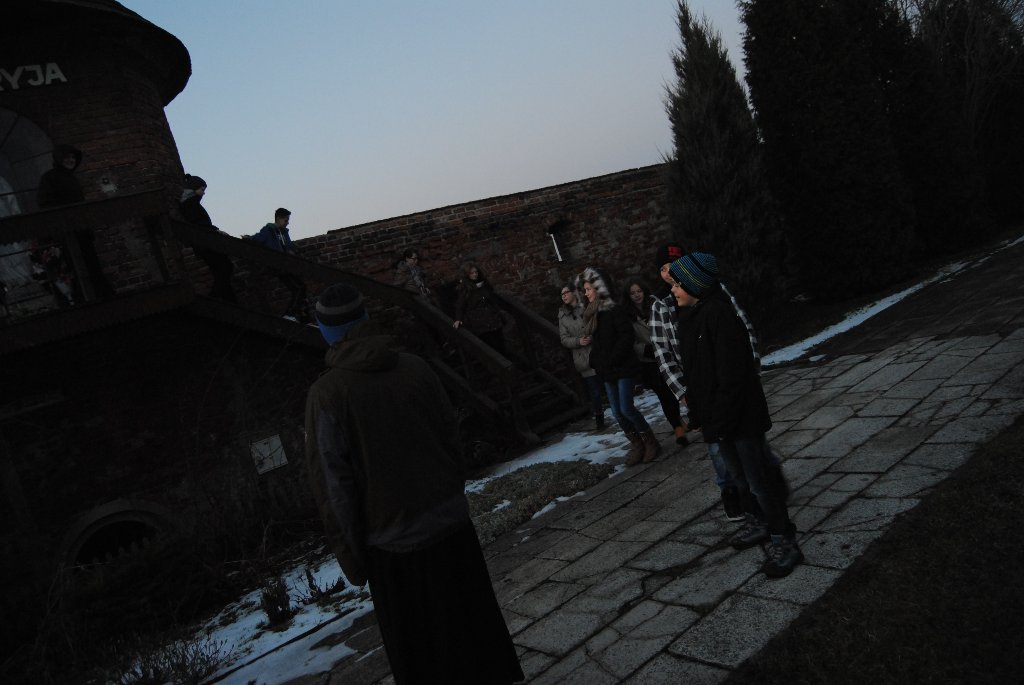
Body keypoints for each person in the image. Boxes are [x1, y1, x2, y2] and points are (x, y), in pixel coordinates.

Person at [304, 283, 524, 684]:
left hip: (394, 545)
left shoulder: (327, 394)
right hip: (450, 525)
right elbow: (451, 437)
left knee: (426, 658)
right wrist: (449, 492)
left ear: (326, 331)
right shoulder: (415, 368)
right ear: (365, 319)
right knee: (476, 638)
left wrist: (354, 558)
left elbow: (334, 487)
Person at [669, 252, 803, 578]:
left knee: (759, 483)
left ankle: (784, 539)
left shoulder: (720, 315)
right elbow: (696, 374)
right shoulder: (690, 318)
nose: (673, 289)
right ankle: (758, 522)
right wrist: (698, 413)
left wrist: (722, 419)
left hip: (739, 417)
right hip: (719, 420)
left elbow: (732, 376)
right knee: (740, 479)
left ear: (695, 284)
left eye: (678, 284)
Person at [650, 242, 742, 520]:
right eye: (664, 268)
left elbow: (741, 325)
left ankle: (763, 483)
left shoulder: (710, 293)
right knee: (717, 445)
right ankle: (731, 491)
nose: (669, 273)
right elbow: (662, 352)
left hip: (725, 377)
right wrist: (683, 392)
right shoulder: (662, 305)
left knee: (746, 437)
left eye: (674, 266)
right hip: (696, 385)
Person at [576, 266, 660, 465]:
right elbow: (596, 343)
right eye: (585, 290)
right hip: (607, 370)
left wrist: (613, 358)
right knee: (616, 412)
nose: (586, 294)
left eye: (588, 289)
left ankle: (650, 442)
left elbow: (626, 336)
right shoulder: (592, 314)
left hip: (623, 366)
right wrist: (595, 361)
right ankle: (637, 444)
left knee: (626, 408)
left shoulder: (614, 309)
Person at [36, 143, 115, 300]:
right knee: (73, 266)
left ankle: (99, 295)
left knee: (89, 263)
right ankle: (83, 298)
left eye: (73, 157)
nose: (70, 160)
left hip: (81, 230)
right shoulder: (49, 178)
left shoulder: (71, 178)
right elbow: (45, 204)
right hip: (65, 233)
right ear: (59, 158)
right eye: (67, 157)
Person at [623, 277, 687, 444]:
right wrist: (645, 350)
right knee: (664, 395)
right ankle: (677, 428)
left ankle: (686, 418)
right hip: (649, 361)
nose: (637, 295)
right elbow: (630, 340)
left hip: (666, 353)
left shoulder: (655, 306)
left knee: (677, 388)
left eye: (639, 291)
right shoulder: (627, 316)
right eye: (632, 293)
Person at [178, 174, 237, 303]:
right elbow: (199, 224)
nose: (203, 193)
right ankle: (214, 298)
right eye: (202, 189)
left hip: (203, 244)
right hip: (205, 244)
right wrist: (215, 230)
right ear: (195, 189)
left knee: (220, 271)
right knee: (226, 267)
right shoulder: (191, 205)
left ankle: (229, 300)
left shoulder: (188, 204)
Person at [558, 283, 605, 430]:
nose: (564, 296)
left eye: (566, 292)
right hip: (582, 357)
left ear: (574, 292)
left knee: (608, 383)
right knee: (594, 391)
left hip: (598, 350)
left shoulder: (586, 306)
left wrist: (591, 336)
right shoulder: (562, 316)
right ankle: (600, 418)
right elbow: (564, 339)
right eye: (562, 294)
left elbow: (598, 323)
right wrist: (578, 341)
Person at [249, 207, 309, 321]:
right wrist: (248, 238)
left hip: (287, 265)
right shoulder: (268, 230)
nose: (287, 222)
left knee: (300, 287)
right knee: (299, 288)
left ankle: (301, 316)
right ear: (279, 218)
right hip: (279, 266)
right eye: (286, 220)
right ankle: (290, 314)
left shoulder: (284, 232)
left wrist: (293, 252)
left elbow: (289, 247)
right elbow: (258, 238)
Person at [452, 261, 506, 355]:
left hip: (492, 318)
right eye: (471, 273)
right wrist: (458, 319)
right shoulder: (465, 289)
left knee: (500, 342)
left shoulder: (484, 284)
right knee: (490, 346)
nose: (475, 274)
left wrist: (498, 311)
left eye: (476, 272)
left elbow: (491, 298)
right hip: (479, 322)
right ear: (467, 275)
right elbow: (460, 306)